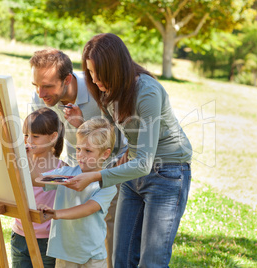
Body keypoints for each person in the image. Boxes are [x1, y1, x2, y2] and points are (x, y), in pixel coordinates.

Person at [65, 33, 193, 267]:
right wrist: (82, 123)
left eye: (98, 73)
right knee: (121, 259)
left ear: (116, 68)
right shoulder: (108, 91)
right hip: (131, 174)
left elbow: (145, 162)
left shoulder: (147, 92)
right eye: (90, 73)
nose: (94, 80)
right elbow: (113, 140)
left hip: (167, 174)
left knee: (151, 261)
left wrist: (95, 176)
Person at [29, 48, 126, 267]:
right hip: (73, 171)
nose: (40, 93)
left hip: (107, 171)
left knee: (102, 227)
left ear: (67, 80)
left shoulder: (98, 92)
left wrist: (104, 175)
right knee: (75, 231)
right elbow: (40, 142)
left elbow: (117, 138)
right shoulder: (40, 98)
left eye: (47, 86)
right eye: (36, 85)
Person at [33, 118, 117, 268]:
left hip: (92, 257)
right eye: (78, 149)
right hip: (65, 254)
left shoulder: (107, 184)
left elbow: (88, 208)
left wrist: (57, 214)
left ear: (105, 154)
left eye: (88, 151)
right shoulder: (65, 173)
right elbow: (37, 179)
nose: (80, 155)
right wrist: (26, 157)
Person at [11, 108, 67, 268]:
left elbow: (37, 180)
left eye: (35, 136)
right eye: (26, 135)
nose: (29, 140)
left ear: (53, 137)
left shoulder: (61, 168)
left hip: (47, 240)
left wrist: (26, 160)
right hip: (20, 235)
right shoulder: (21, 163)